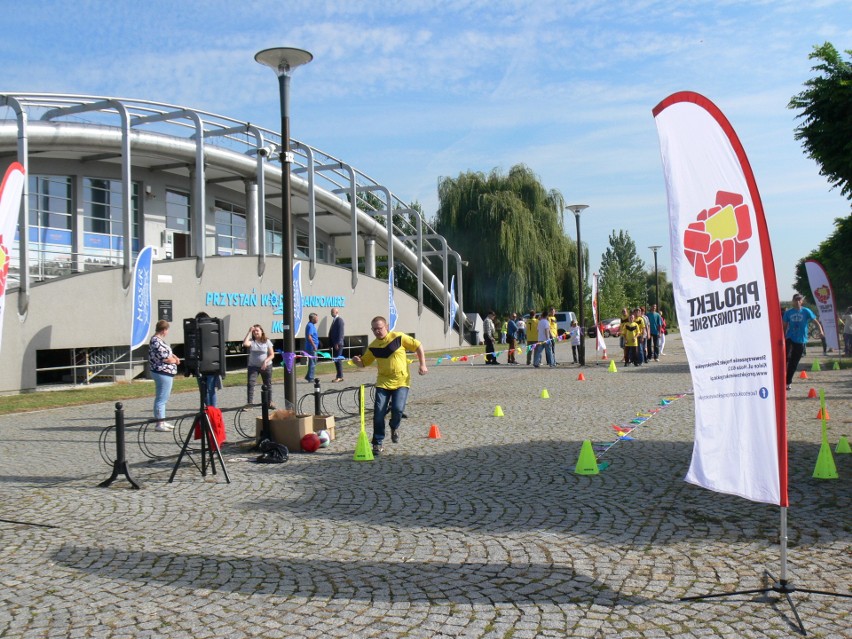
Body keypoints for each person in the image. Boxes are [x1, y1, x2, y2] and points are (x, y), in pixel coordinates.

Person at [352, 316, 428, 455]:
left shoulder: (398, 337)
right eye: (374, 329)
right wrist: (357, 361)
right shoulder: (373, 346)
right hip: (383, 382)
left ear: (386, 326)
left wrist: (423, 364)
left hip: (401, 381)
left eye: (379, 328)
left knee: (398, 409)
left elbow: (418, 346)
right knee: (379, 413)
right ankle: (377, 443)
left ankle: (394, 427)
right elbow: (364, 363)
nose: (377, 331)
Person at [783, 293, 823, 391]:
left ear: (802, 301)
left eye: (799, 300)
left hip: (801, 340)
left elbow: (815, 322)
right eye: (795, 300)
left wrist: (821, 331)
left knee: (794, 362)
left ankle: (788, 382)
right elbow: (784, 325)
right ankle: (782, 380)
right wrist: (783, 337)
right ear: (792, 301)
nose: (797, 302)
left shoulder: (806, 311)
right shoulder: (788, 313)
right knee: (785, 359)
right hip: (789, 338)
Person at [148, 320, 180, 432]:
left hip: (163, 372)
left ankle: (162, 420)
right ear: (164, 330)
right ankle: (159, 423)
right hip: (162, 372)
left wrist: (174, 358)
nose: (167, 332)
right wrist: (175, 361)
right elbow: (166, 358)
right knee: (161, 398)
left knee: (162, 398)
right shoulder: (156, 341)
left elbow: (169, 354)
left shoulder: (158, 341)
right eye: (167, 330)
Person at [194, 312, 222, 407]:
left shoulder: (197, 332)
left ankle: (209, 409)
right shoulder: (214, 331)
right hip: (212, 365)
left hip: (202, 366)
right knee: (210, 390)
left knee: (204, 390)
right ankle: (211, 409)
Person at [243, 324, 274, 406]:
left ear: (261, 331)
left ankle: (269, 402)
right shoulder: (252, 342)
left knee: (267, 384)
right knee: (250, 383)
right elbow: (245, 344)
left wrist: (265, 361)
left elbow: (272, 354)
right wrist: (249, 332)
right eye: (254, 331)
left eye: (257, 330)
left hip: (266, 366)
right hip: (253, 366)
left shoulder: (267, 341)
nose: (255, 332)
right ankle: (249, 403)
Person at [328, 307, 345, 382]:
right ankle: (338, 376)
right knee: (336, 360)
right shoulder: (334, 321)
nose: (331, 313)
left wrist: (338, 343)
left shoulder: (339, 320)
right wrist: (331, 344)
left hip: (338, 344)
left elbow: (340, 333)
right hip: (334, 344)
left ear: (337, 312)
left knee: (338, 360)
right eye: (331, 312)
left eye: (333, 312)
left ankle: (340, 376)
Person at [304, 312, 319, 382]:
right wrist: (314, 345)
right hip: (311, 347)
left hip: (312, 347)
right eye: (316, 318)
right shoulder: (310, 325)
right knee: (313, 362)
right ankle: (310, 377)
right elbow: (309, 337)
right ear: (312, 319)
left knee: (312, 362)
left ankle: (308, 376)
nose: (317, 319)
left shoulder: (312, 325)